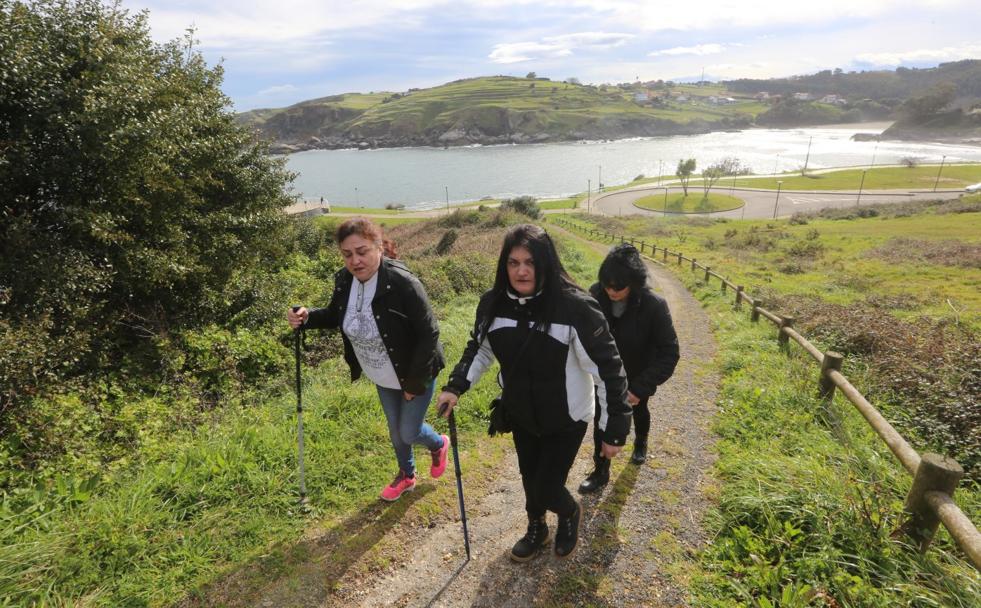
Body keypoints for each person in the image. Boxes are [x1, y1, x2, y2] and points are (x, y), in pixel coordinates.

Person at [436, 224, 631, 562]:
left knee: (547, 485)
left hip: (567, 417)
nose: (522, 270)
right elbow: (479, 349)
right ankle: (537, 527)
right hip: (521, 413)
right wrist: (455, 387)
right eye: (513, 263)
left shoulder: (575, 308)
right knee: (529, 477)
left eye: (530, 262)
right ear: (504, 265)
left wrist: (613, 428)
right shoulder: (493, 304)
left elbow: (608, 370)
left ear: (546, 264)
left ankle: (569, 513)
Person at [287, 218, 449, 501]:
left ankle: (438, 444)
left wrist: (414, 382)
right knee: (396, 432)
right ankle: (407, 475)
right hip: (381, 373)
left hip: (413, 372)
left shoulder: (403, 283)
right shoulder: (344, 280)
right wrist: (308, 316)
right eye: (347, 254)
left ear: (378, 248)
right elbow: (336, 315)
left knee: (409, 431)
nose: (355, 260)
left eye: (362, 251)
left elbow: (429, 333)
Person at [578, 244, 680, 494]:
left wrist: (640, 388)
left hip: (637, 375)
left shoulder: (654, 306)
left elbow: (670, 353)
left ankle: (641, 442)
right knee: (603, 419)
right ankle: (600, 471)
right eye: (607, 285)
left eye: (618, 286)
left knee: (639, 411)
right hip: (605, 377)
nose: (611, 291)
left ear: (634, 282)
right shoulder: (596, 295)